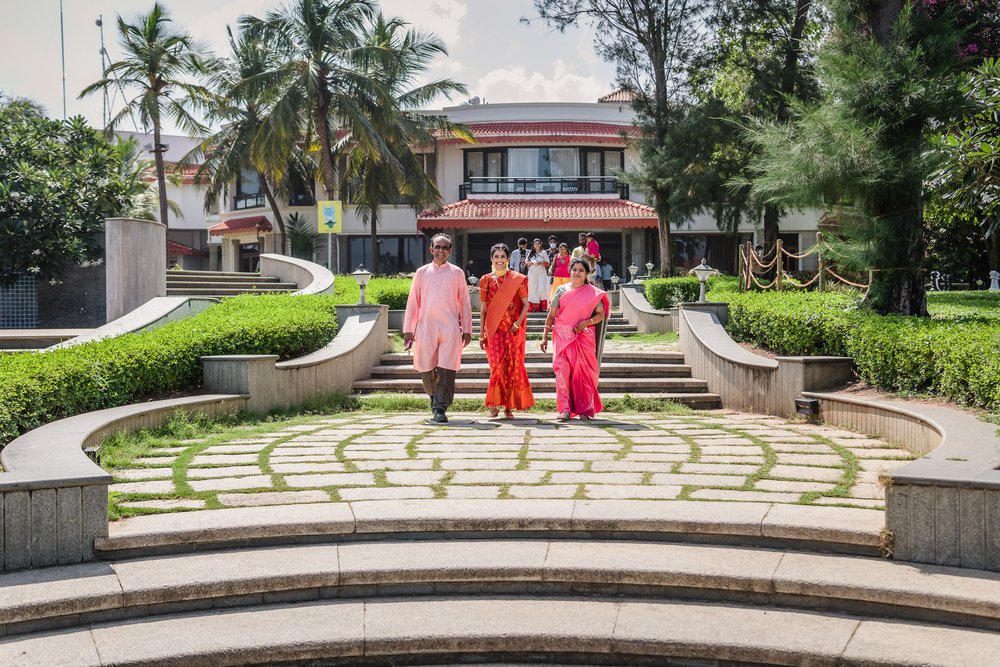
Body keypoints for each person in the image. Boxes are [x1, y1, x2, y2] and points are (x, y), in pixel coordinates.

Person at [403, 234, 473, 424]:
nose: (441, 250)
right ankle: (434, 398)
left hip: (450, 328)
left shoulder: (457, 273)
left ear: (450, 251)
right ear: (431, 249)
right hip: (426, 327)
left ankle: (440, 408)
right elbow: (413, 302)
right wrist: (408, 329)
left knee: (447, 369)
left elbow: (465, 304)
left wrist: (467, 329)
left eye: (445, 248)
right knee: (425, 368)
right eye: (437, 247)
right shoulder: (422, 273)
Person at [540, 258, 609, 421]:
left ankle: (584, 408)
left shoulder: (593, 292)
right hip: (562, 336)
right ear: (570, 272)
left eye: (581, 270)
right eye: (574, 269)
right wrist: (544, 337)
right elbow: (551, 315)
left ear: (586, 274)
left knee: (582, 373)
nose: (577, 273)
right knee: (562, 371)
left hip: (582, 337)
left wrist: (586, 322)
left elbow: (601, 314)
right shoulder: (561, 290)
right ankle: (564, 409)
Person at [479, 243, 534, 418]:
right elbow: (483, 310)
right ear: (491, 259)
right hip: (493, 329)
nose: (500, 260)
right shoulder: (485, 280)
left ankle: (508, 406)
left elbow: (526, 304)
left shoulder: (518, 279)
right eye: (496, 257)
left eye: (503, 257)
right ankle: (495, 405)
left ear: (508, 259)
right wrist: (480, 333)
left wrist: (518, 323)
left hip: (512, 329)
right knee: (496, 367)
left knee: (511, 367)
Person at [525, 238, 551, 312]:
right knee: (532, 289)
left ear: (541, 244)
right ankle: (533, 307)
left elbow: (547, 263)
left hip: (541, 273)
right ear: (533, 245)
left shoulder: (543, 253)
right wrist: (532, 263)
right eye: (535, 244)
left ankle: (543, 307)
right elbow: (526, 262)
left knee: (542, 288)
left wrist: (539, 263)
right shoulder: (531, 253)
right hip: (532, 273)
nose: (537, 245)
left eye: (538, 243)